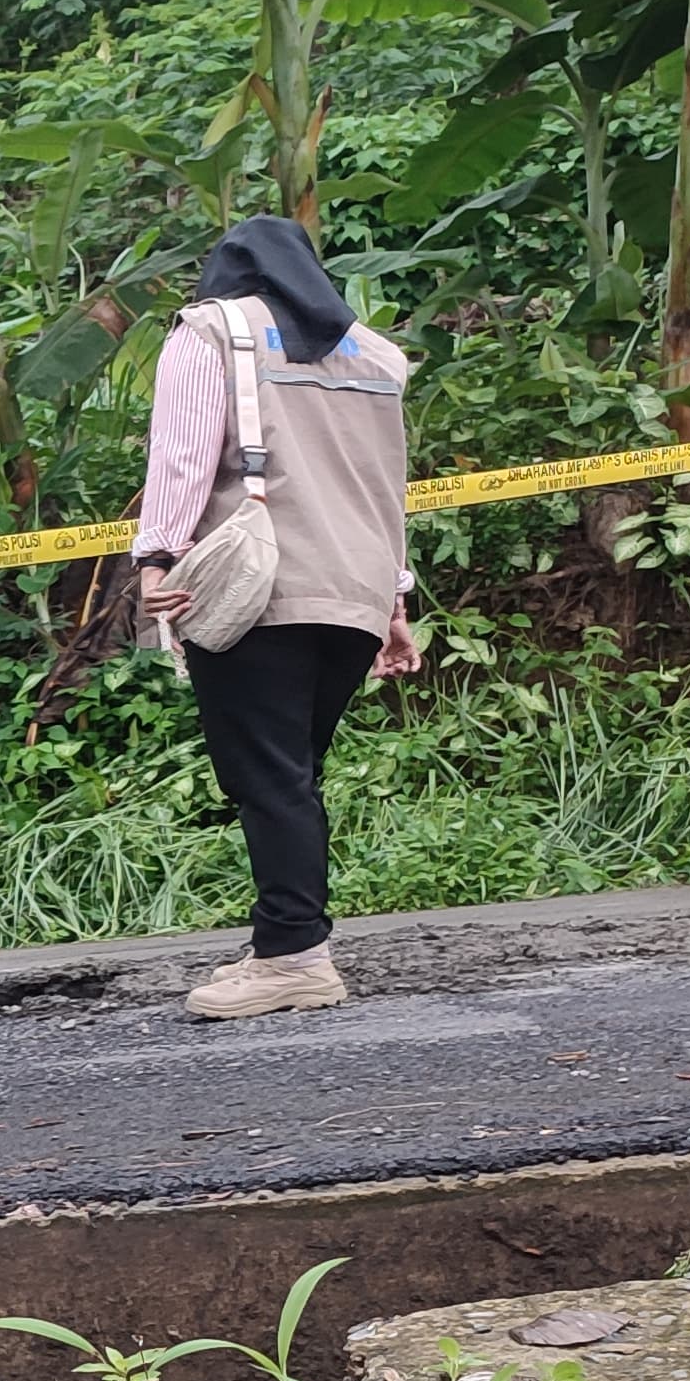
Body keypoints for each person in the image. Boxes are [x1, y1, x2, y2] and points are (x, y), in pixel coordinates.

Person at [134, 217, 422, 1021]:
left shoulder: (212, 332)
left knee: (267, 776)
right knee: (291, 773)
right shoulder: (375, 354)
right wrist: (395, 600)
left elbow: (184, 455)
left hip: (261, 588)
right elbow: (385, 485)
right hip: (356, 591)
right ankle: (284, 941)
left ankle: (295, 955)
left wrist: (156, 556)